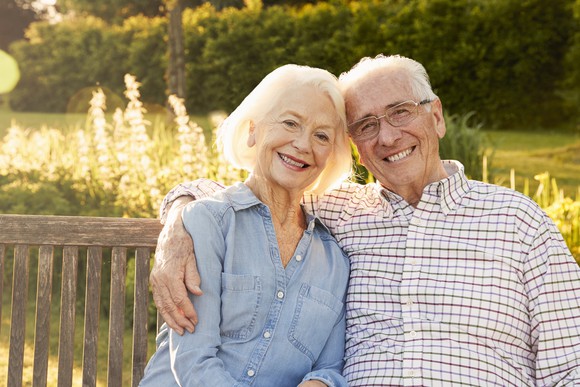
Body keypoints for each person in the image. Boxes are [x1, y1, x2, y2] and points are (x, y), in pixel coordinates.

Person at [151, 55, 580, 386]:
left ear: (436, 115)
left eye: (400, 112)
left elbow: (571, 365)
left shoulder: (518, 221)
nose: (388, 136)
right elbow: (250, 193)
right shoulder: (342, 211)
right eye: (367, 125)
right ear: (354, 145)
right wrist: (176, 225)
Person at [140, 64, 353, 387]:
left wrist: (322, 383)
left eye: (321, 135)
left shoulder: (334, 260)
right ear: (253, 130)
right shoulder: (210, 222)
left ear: (331, 155)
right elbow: (193, 362)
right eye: (290, 122)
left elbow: (330, 367)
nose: (303, 144)